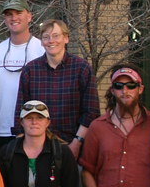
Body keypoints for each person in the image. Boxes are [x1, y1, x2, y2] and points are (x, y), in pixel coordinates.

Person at [14, 19, 99, 158]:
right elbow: (21, 110)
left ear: (66, 38)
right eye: (46, 37)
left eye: (56, 36)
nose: (51, 41)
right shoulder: (30, 70)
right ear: (41, 41)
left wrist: (77, 144)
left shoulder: (82, 69)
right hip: (38, 147)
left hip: (73, 144)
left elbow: (91, 112)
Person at [0, 0, 44, 150]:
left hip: (35, 129)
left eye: (19, 13)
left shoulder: (42, 49)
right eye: (9, 14)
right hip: (3, 130)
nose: (14, 18)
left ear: (29, 16)